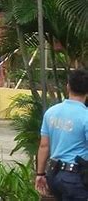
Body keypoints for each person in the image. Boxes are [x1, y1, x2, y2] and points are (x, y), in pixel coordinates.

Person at [35, 69, 88, 200]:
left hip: (54, 175)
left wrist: (40, 173)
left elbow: (44, 146)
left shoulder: (51, 112)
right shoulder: (86, 117)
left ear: (68, 86)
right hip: (76, 178)